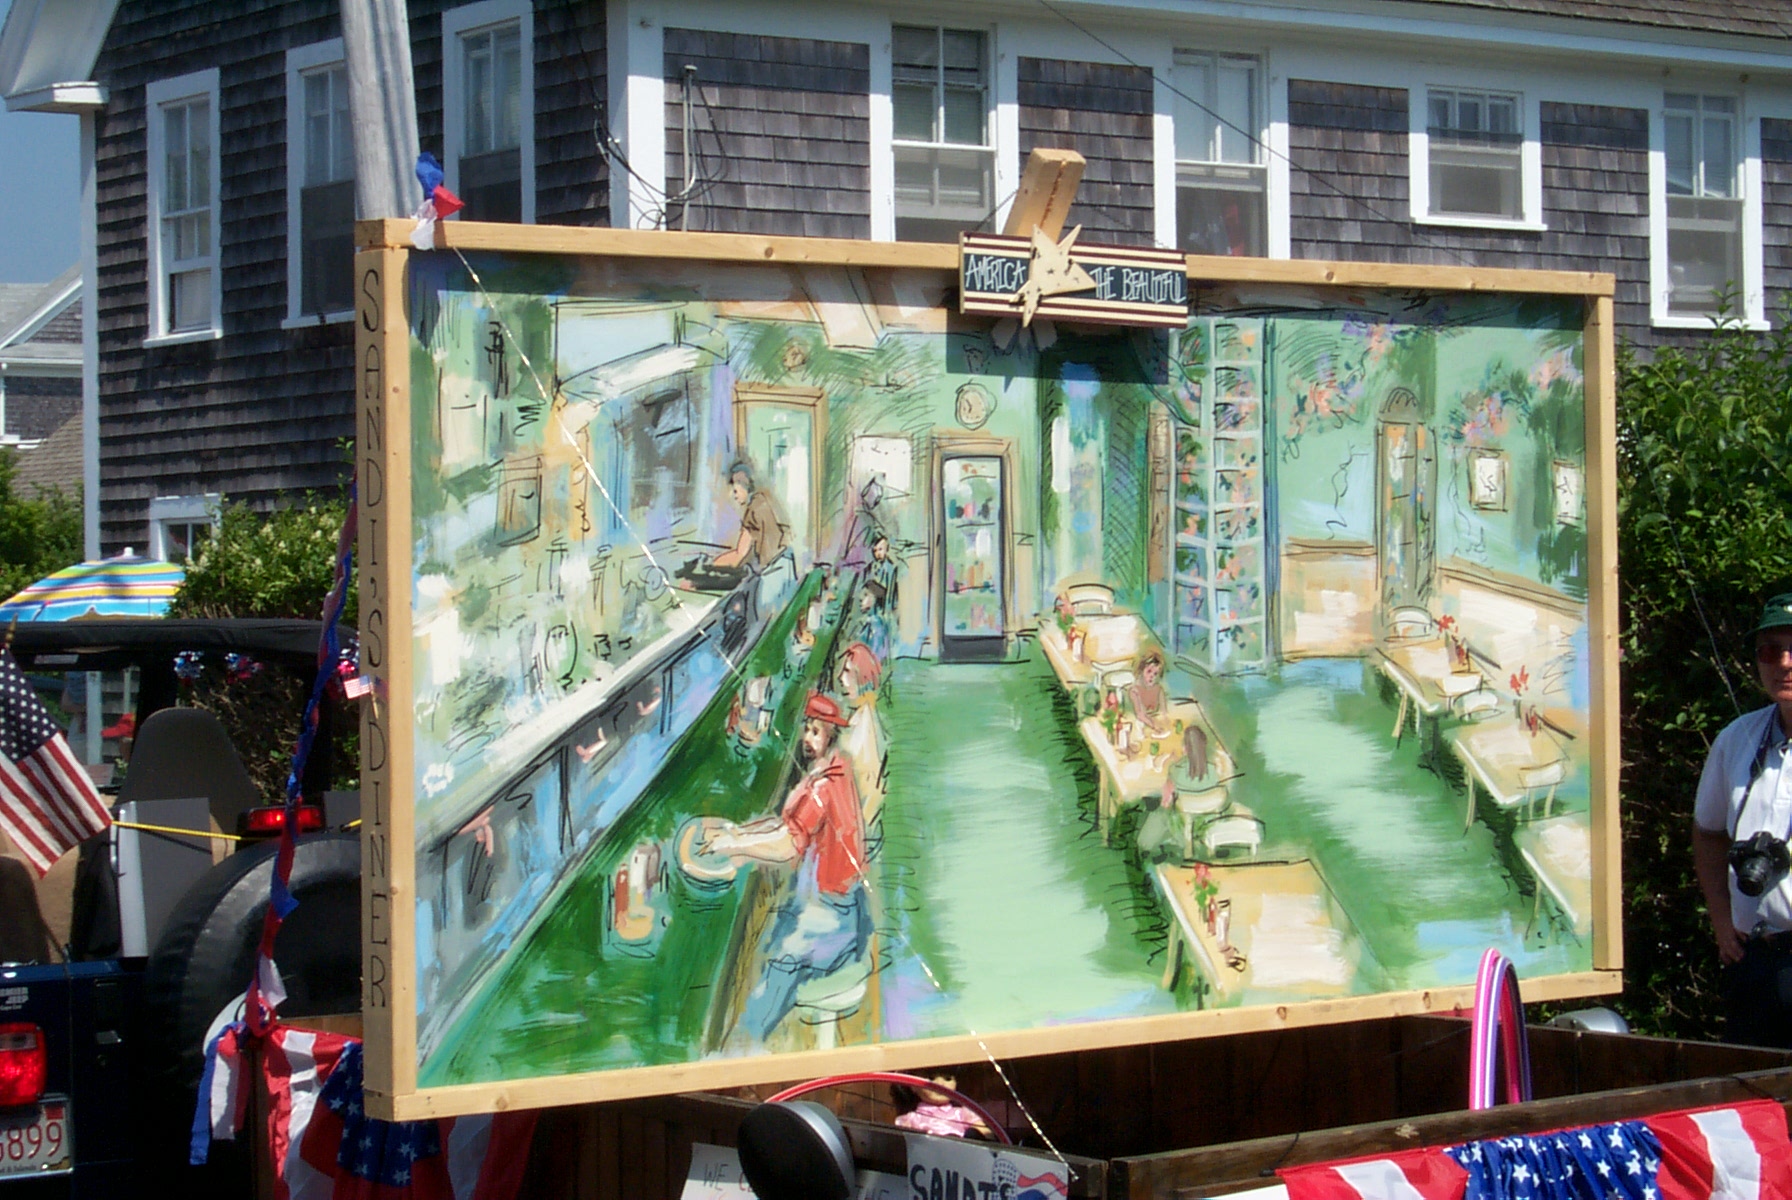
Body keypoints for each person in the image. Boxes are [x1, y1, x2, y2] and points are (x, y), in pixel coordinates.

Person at [704, 692, 870, 1043]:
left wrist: (734, 847)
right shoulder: (830, 770)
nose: (807, 738)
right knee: (774, 940)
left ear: (831, 735)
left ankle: (740, 1052)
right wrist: (740, 833)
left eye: (816, 732)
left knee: (773, 979)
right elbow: (785, 826)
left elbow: (787, 845)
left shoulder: (824, 786)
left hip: (831, 917)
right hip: (834, 906)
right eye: (806, 729)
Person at [1694, 593, 1792, 1048]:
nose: (1784, 664)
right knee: (1751, 1086)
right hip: (1754, 961)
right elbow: (1708, 832)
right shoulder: (1737, 738)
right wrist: (1721, 920)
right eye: (1771, 651)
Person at [712, 462, 795, 611]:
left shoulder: (753, 510)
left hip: (772, 576)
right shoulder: (764, 501)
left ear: (743, 485)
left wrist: (712, 565)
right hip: (786, 566)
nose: (734, 496)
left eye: (735, 491)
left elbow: (739, 554)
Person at [836, 642, 887, 821]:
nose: (841, 678)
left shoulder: (866, 724)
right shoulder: (859, 716)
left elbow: (872, 789)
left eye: (847, 672)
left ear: (862, 677)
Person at [1128, 650, 1170, 738]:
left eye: (1155, 673)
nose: (1152, 676)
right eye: (1149, 671)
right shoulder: (1134, 691)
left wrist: (1163, 723)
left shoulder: (1159, 690)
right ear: (1141, 670)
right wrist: (1154, 726)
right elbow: (1140, 715)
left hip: (1157, 728)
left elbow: (1164, 712)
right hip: (1140, 730)